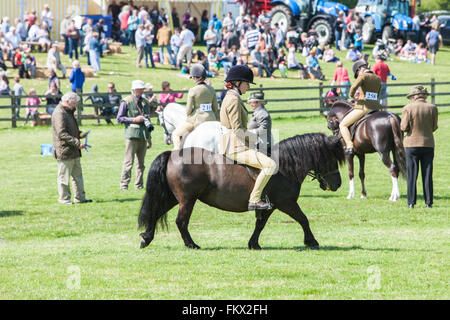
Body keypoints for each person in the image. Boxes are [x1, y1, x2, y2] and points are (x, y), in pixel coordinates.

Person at [219, 65, 277, 210]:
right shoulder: (233, 99)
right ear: (237, 83)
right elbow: (238, 129)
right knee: (271, 165)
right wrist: (254, 139)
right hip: (235, 145)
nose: (248, 87)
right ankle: (255, 199)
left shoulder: (231, 97)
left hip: (235, 143)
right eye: (247, 83)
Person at [400, 86, 438, 209]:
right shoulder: (432, 108)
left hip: (411, 145)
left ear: (413, 97)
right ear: (424, 96)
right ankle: (429, 202)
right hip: (428, 144)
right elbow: (434, 127)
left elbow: (403, 127)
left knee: (412, 174)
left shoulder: (408, 108)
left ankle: (411, 202)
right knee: (427, 174)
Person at [52, 92, 92, 204]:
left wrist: (79, 134)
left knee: (78, 176)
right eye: (74, 103)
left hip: (73, 149)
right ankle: (64, 199)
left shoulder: (68, 111)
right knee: (64, 178)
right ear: (67, 102)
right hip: (64, 150)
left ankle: (80, 198)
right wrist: (77, 143)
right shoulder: (59, 113)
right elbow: (61, 133)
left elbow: (70, 130)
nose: (75, 106)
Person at [117, 80, 154, 190]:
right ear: (134, 90)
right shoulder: (126, 101)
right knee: (128, 162)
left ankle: (139, 185)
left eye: (142, 89)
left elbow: (147, 120)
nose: (142, 91)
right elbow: (119, 118)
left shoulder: (146, 102)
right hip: (131, 135)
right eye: (140, 89)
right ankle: (124, 185)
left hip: (143, 135)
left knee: (141, 164)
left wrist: (149, 137)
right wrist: (134, 119)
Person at [172, 64, 219, 150]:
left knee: (176, 134)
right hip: (212, 118)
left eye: (193, 77)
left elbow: (188, 110)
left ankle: (177, 153)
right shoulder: (211, 89)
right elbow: (215, 108)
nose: (193, 79)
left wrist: (189, 114)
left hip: (198, 120)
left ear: (196, 77)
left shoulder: (193, 90)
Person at [339, 60, 382, 155]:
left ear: (359, 69)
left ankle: (349, 146)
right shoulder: (378, 78)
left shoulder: (362, 76)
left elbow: (353, 88)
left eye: (357, 72)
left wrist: (352, 96)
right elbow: (378, 93)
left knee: (343, 125)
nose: (357, 74)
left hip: (364, 107)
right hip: (376, 108)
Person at [247, 92, 272, 156]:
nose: (251, 104)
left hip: (262, 145)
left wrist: (250, 132)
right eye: (250, 102)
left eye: (253, 102)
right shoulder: (258, 112)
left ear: (259, 102)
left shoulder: (262, 113)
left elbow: (264, 129)